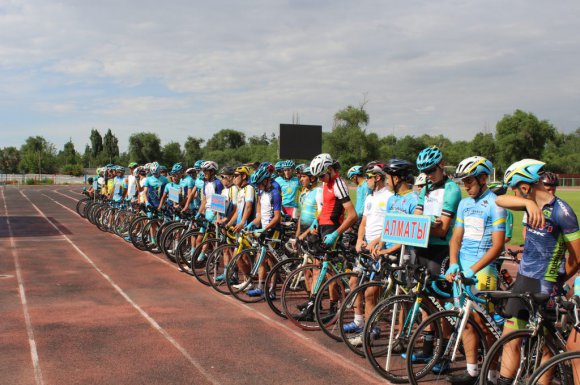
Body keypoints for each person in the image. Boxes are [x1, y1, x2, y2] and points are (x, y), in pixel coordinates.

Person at [495, 159, 580, 385]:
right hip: (524, 278)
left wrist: (557, 278)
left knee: (544, 344)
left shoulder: (564, 213)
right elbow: (500, 199)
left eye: (515, 187)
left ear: (525, 186)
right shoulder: (528, 203)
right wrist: (529, 205)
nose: (514, 192)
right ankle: (505, 381)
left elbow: (577, 257)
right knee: (510, 337)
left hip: (545, 283)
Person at [444, 156, 506, 385]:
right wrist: (453, 263)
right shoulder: (464, 203)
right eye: (463, 181)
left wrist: (473, 269)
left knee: (485, 324)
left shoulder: (495, 203)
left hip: (483, 271)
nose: (465, 185)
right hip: (462, 269)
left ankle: (492, 375)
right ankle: (471, 371)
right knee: (465, 322)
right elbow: (456, 238)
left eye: (469, 180)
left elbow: (498, 245)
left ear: (482, 178)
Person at [294, 153, 357, 321]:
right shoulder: (325, 185)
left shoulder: (338, 184)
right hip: (322, 227)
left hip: (332, 229)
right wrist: (316, 221)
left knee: (328, 272)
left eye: (322, 175)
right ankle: (315, 306)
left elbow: (352, 216)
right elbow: (324, 209)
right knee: (322, 269)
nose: (320, 179)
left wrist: (336, 233)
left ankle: (332, 307)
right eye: (318, 176)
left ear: (329, 169)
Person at [343, 160, 392, 346]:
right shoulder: (370, 197)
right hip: (365, 248)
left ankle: (372, 329)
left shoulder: (388, 197)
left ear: (377, 178)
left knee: (371, 292)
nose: (366, 181)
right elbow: (363, 221)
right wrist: (359, 239)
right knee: (354, 281)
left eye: (369, 177)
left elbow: (390, 225)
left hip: (378, 249)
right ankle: (359, 320)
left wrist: (375, 242)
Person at [245, 166, 283, 297]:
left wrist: (265, 228)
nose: (258, 187)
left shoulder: (275, 193)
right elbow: (260, 215)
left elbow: (278, 217)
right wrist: (252, 224)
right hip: (264, 229)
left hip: (273, 230)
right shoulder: (261, 193)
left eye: (259, 184)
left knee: (272, 260)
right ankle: (261, 287)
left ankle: (272, 289)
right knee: (260, 259)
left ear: (266, 181)